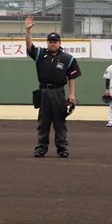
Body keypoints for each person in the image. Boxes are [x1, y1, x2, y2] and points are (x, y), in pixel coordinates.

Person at [24, 16, 81, 158]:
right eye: (50, 41)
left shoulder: (67, 58)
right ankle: (41, 147)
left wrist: (72, 94)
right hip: (43, 91)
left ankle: (62, 147)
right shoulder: (40, 54)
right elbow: (29, 46)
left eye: (55, 42)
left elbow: (71, 78)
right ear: (47, 43)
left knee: (59, 121)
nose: (52, 44)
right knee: (43, 121)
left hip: (58, 92)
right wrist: (27, 30)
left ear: (60, 43)